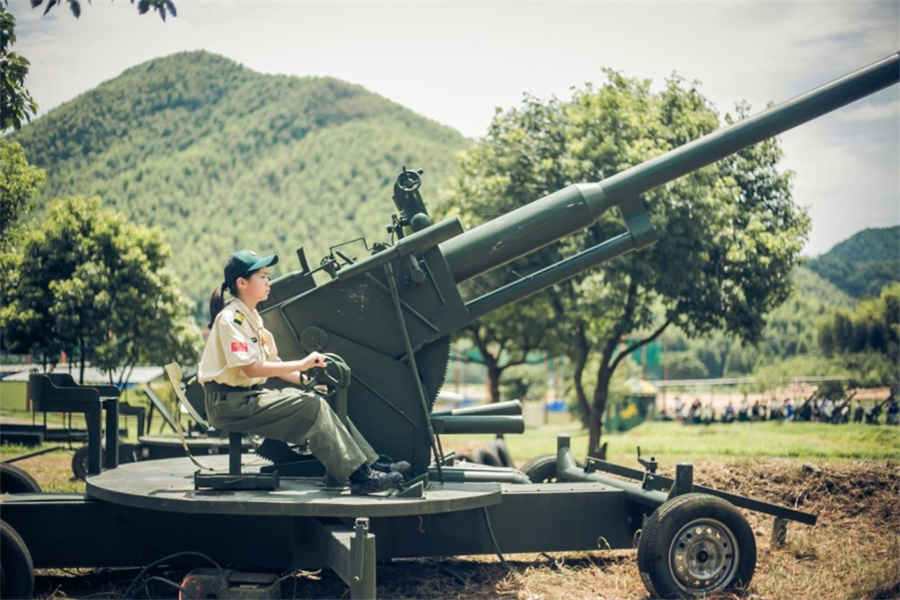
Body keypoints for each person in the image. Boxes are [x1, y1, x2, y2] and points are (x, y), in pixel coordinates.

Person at [198, 249, 407, 495]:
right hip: (228, 404)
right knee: (311, 406)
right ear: (241, 283)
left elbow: (273, 362)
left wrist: (306, 380)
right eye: (262, 276)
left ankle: (370, 464)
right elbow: (251, 367)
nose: (268, 282)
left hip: (243, 398)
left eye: (268, 276)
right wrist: (301, 364)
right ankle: (359, 477)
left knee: (323, 400)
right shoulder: (232, 319)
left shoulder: (252, 318)